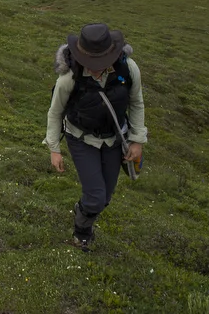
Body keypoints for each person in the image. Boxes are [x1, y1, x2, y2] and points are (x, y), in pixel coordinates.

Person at [43, 23, 147, 251]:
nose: (97, 69)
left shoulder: (128, 69)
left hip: (113, 140)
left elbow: (136, 103)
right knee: (95, 197)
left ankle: (86, 210)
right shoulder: (68, 78)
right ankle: (82, 232)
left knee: (105, 197)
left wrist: (137, 140)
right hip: (81, 139)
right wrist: (54, 149)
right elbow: (55, 113)